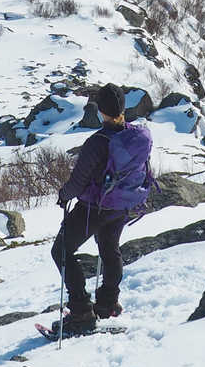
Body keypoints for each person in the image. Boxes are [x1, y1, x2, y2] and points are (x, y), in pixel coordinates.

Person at [51, 84, 154, 335]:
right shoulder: (136, 137)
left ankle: (81, 312)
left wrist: (63, 196)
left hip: (94, 207)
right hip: (121, 206)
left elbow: (78, 182)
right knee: (109, 250)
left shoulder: (97, 142)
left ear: (101, 112)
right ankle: (108, 304)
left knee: (61, 251)